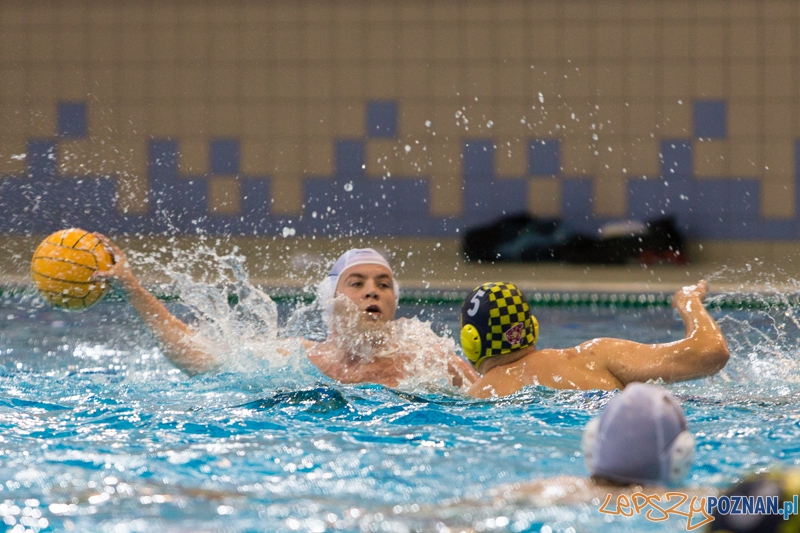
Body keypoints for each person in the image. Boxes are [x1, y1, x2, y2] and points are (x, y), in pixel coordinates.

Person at [91, 236, 479, 388]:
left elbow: (493, 398)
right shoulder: (299, 359)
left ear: (394, 300)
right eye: (357, 283)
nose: (372, 292)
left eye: (383, 284)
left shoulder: (425, 358)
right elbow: (196, 359)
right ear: (331, 301)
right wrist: (132, 286)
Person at [460, 280, 730, 397]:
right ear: (532, 327)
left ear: (470, 341)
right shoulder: (594, 357)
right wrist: (689, 301)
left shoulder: (477, 397)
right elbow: (710, 352)